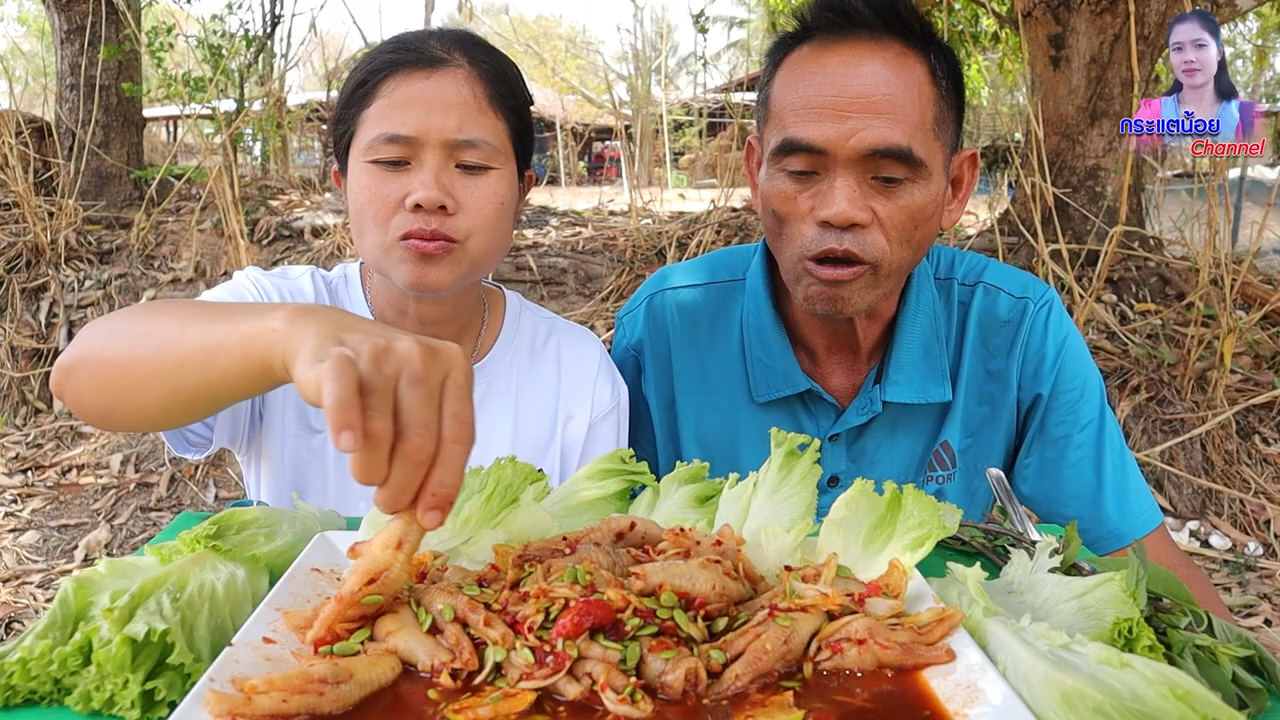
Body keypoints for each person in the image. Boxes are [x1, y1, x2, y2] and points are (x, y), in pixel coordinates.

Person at [610, 0, 1232, 618]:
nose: (839, 210)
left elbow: (1132, 556)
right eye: (801, 170)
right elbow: (602, 556)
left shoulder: (1013, 328)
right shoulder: (665, 328)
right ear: (755, 171)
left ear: (955, 188)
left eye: (887, 179)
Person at [49, 28, 628, 530]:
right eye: (392, 162)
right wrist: (285, 341)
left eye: (472, 166)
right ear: (342, 182)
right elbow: (82, 376)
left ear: (523, 191)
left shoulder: (575, 372)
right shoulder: (280, 308)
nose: (428, 194)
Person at [1131, 9, 1263, 151]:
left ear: (1219, 52)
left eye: (1200, 46)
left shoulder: (1249, 117)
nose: (1188, 57)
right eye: (1178, 48)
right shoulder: (1151, 115)